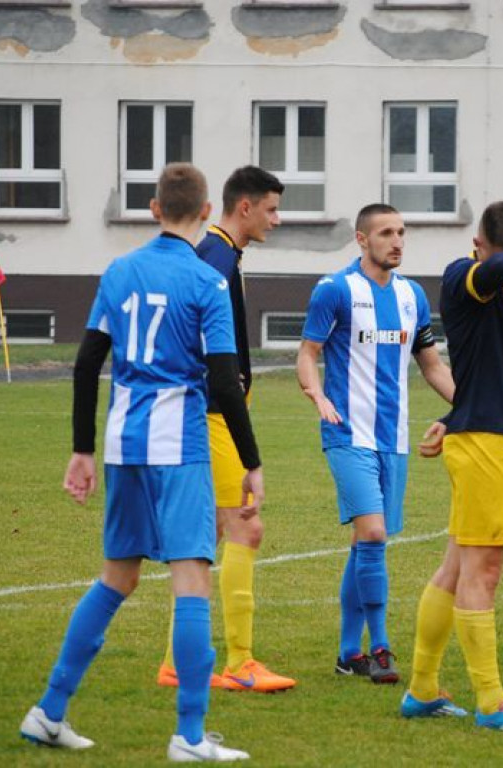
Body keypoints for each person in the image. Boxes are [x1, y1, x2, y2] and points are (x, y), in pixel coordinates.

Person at [20, 163, 260, 761]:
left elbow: (84, 365)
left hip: (125, 443)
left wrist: (82, 450)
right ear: (207, 213)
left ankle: (49, 711)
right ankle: (190, 735)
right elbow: (226, 383)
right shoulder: (207, 281)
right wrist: (252, 461)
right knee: (192, 580)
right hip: (179, 445)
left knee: (118, 576)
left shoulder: (119, 271)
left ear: (154, 208)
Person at [400, 201, 503, 730]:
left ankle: (422, 691)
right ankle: (492, 702)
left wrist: (460, 416)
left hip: (495, 439)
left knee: (455, 568)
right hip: (485, 449)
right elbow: (495, 269)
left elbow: (491, 368)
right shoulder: (462, 276)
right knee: (483, 572)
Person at [296, 203, 454, 684]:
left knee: (363, 542)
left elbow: (431, 365)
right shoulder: (335, 290)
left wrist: (470, 408)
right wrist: (316, 393)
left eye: (402, 232)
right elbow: (307, 353)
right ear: (362, 240)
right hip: (346, 433)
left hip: (394, 439)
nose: (397, 240)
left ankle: (348, 654)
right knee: (373, 535)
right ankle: (381, 646)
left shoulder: (413, 296)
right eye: (386, 232)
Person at [157, 166, 295, 694]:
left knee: (213, 533)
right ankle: (239, 661)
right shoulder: (214, 257)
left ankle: (176, 663)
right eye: (271, 209)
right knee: (245, 527)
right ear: (245, 208)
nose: (276, 220)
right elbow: (198, 342)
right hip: (212, 414)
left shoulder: (221, 255)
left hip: (207, 411)